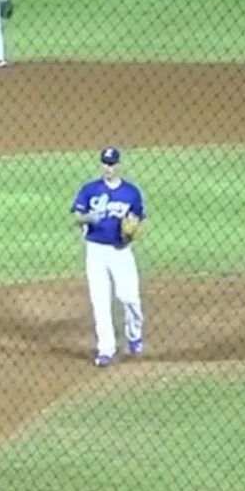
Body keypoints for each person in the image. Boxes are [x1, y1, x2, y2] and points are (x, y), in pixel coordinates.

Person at [70, 146, 148, 367]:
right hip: (95, 251)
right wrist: (88, 218)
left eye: (112, 164)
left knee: (129, 297)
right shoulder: (89, 190)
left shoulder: (131, 193)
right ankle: (106, 349)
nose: (108, 168)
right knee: (100, 301)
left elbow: (140, 219)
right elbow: (77, 217)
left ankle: (134, 335)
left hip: (121, 251)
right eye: (105, 163)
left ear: (119, 165)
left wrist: (133, 231)